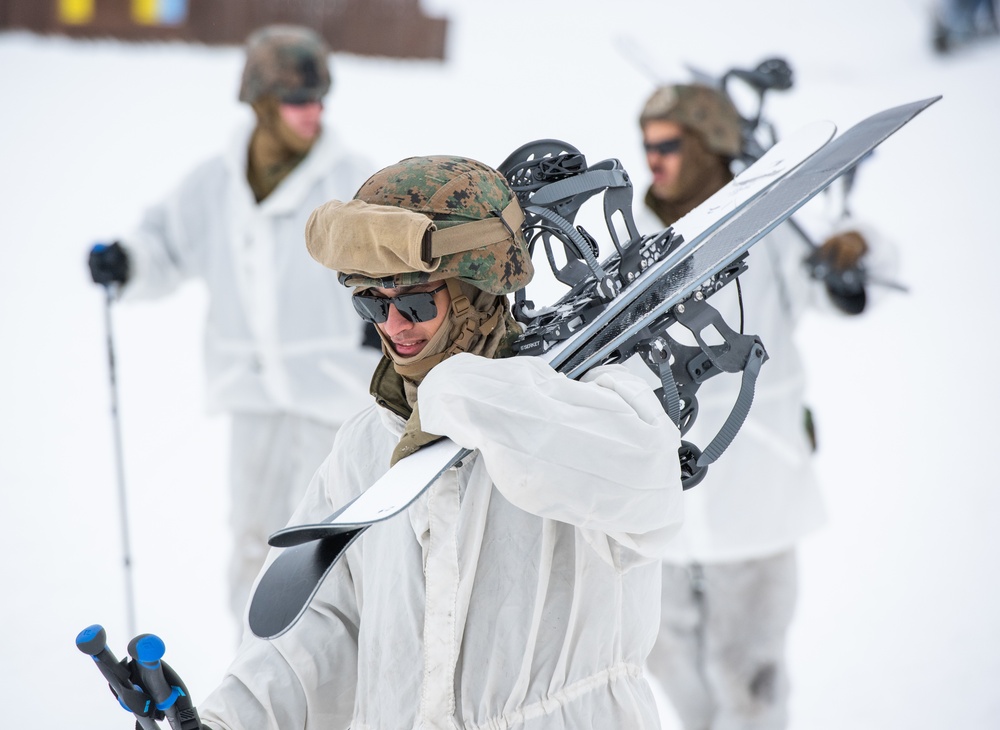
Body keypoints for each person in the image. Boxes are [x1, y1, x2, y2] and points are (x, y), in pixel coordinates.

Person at [196, 155, 686, 729]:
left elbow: (647, 493)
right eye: (371, 303)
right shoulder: (365, 447)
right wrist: (229, 720)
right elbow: (322, 625)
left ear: (478, 289)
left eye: (417, 302)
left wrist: (459, 393)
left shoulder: (591, 402)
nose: (394, 326)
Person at [86, 25, 381, 625]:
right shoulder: (215, 184)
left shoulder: (350, 180)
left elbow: (394, 260)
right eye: (299, 100)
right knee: (252, 540)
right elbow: (164, 245)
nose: (313, 113)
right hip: (250, 394)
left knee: (326, 544)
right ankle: (252, 679)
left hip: (333, 396)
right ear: (262, 103)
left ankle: (331, 686)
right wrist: (128, 261)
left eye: (320, 98)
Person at [635, 84, 894, 729]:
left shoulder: (776, 229)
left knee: (749, 679)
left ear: (708, 146)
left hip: (757, 489)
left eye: (668, 144)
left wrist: (854, 252)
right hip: (661, 503)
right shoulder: (635, 243)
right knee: (665, 659)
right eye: (647, 144)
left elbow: (851, 274)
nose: (653, 159)